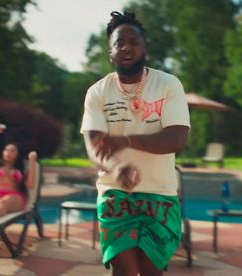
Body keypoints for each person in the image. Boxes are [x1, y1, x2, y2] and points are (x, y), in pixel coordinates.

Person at [80, 11, 190, 276]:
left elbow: (178, 138)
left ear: (145, 48)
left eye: (133, 41)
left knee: (153, 272)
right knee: (124, 271)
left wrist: (126, 140)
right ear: (110, 53)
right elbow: (95, 145)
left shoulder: (168, 85)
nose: (126, 47)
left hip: (160, 194)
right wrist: (116, 169)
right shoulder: (98, 92)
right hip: (115, 193)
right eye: (119, 43)